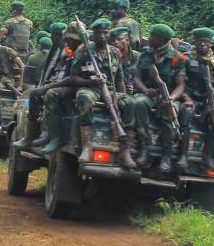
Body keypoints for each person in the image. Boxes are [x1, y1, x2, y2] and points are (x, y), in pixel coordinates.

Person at [70, 19, 136, 168]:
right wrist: (89, 82)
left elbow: (119, 79)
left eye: (105, 33)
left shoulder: (115, 52)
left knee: (131, 103)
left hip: (110, 90)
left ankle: (125, 151)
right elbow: (73, 77)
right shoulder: (83, 50)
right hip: (90, 88)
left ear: (109, 35)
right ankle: (87, 146)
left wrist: (122, 97)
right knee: (84, 98)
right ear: (94, 34)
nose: (102, 36)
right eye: (99, 33)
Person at [132, 24, 189, 172]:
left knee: (169, 112)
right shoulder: (145, 53)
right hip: (149, 93)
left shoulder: (177, 58)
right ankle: (144, 148)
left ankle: (167, 156)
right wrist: (145, 90)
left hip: (169, 95)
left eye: (153, 36)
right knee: (137, 103)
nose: (149, 38)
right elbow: (136, 78)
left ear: (162, 40)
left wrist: (171, 98)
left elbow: (181, 85)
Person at [11, 22, 69, 150]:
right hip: (55, 83)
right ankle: (34, 136)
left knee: (34, 95)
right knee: (37, 94)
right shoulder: (56, 51)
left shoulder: (63, 51)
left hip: (60, 85)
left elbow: (66, 73)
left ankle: (34, 135)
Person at [32, 21, 87, 155]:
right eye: (67, 38)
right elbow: (66, 73)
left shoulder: (83, 50)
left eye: (72, 39)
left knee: (51, 94)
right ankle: (42, 133)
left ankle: (56, 137)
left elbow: (72, 78)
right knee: (38, 93)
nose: (69, 41)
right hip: (73, 83)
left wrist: (49, 86)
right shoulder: (68, 50)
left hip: (82, 85)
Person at [180, 28, 214, 171]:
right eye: (200, 41)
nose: (203, 45)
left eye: (206, 42)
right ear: (195, 42)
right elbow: (179, 83)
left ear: (210, 43)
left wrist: (212, 103)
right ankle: (183, 156)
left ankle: (208, 157)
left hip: (208, 101)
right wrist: (187, 98)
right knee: (186, 114)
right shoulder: (186, 58)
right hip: (188, 99)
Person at [0, 35, 25, 128]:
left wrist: (20, 86)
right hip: (1, 80)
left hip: (14, 80)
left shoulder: (7, 51)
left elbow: (23, 67)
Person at [111, 27, 140, 94]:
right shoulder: (109, 58)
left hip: (136, 94)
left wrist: (135, 88)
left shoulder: (138, 57)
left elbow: (145, 80)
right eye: (113, 40)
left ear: (127, 40)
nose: (116, 42)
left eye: (119, 39)